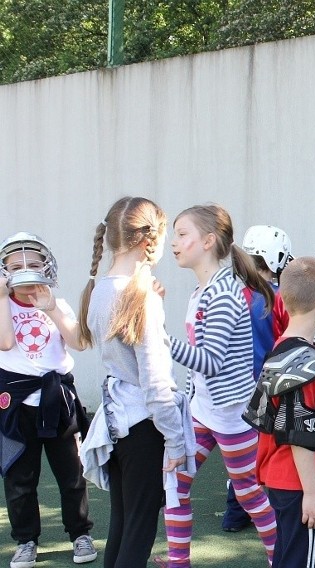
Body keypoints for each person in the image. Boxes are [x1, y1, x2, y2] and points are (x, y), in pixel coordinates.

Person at [77, 197, 189, 568]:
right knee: (138, 532)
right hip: (143, 426)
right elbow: (156, 383)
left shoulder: (99, 290)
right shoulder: (140, 296)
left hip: (116, 423)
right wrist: (175, 441)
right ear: (148, 240)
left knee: (124, 525)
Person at [165, 204, 277, 566]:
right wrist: (185, 400)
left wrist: (159, 339)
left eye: (182, 234)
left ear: (209, 240)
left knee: (249, 494)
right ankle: (178, 561)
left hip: (232, 416)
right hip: (202, 411)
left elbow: (210, 362)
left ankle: (282, 558)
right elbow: (201, 368)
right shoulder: (203, 291)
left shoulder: (224, 294)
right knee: (175, 485)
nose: (174, 242)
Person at [0, 233, 96, 568]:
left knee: (71, 474)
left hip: (57, 401)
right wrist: (1, 297)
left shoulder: (57, 302)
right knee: (19, 478)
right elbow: (5, 343)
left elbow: (80, 342)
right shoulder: (3, 304)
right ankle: (26, 540)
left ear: (47, 267)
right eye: (15, 267)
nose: (25, 272)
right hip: (18, 403)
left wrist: (51, 308)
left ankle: (80, 533)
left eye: (33, 264)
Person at [244, 256, 315, 568]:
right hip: (302, 483)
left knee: (289, 558)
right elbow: (298, 430)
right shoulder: (304, 361)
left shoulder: (283, 346)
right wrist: (313, 493)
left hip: (284, 478)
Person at [221, 224, 291, 533]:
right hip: (269, 387)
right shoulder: (277, 298)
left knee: (241, 456)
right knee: (270, 450)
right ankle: (267, 511)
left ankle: (235, 514)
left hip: (234, 388)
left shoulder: (229, 294)